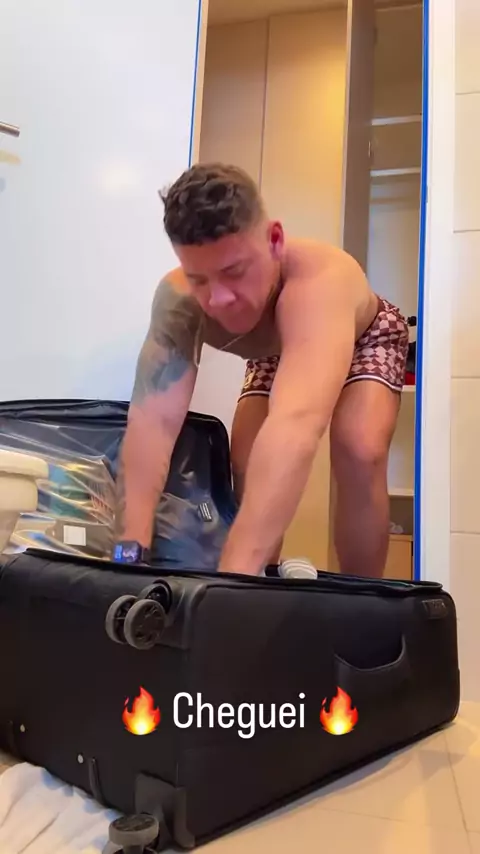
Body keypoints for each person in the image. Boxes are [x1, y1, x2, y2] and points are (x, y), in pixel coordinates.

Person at [113, 163, 409, 578]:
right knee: (248, 461)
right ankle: (261, 583)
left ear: (274, 241)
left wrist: (229, 580)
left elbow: (295, 425)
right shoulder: (178, 301)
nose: (218, 298)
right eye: (199, 279)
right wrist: (128, 552)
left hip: (367, 335)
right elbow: (153, 421)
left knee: (359, 448)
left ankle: (364, 598)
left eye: (234, 272)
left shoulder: (319, 282)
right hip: (279, 347)